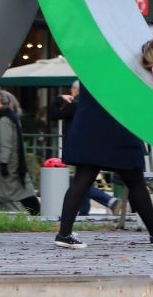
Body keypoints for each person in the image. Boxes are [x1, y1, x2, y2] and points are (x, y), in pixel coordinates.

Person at [51, 82, 153, 250]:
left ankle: (64, 234)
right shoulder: (121, 71)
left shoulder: (89, 71)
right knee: (135, 182)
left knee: (81, 182)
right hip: (118, 128)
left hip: (89, 129)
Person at [49, 84, 117, 216]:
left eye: (72, 89)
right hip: (92, 147)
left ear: (76, 89)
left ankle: (109, 200)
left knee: (78, 182)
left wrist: (59, 99)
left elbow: (53, 115)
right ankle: (84, 211)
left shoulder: (75, 104)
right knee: (82, 178)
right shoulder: (95, 103)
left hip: (76, 149)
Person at [0, 89, 41, 215]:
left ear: (3, 102)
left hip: (8, 166)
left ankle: (38, 216)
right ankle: (38, 216)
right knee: (4, 193)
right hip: (13, 165)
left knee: (1, 193)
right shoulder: (12, 118)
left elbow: (5, 143)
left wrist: (3, 163)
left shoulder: (4, 120)